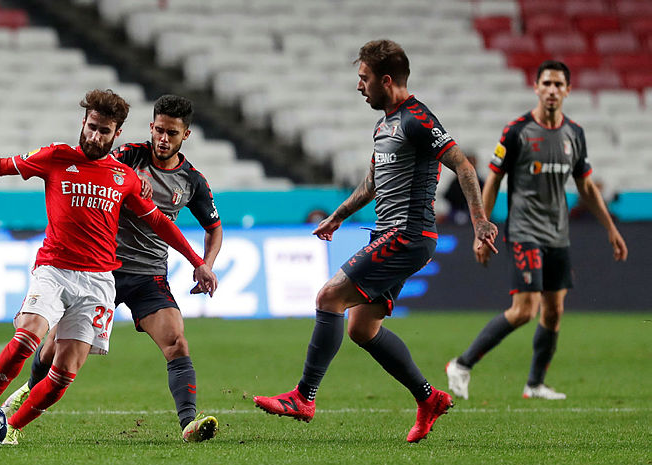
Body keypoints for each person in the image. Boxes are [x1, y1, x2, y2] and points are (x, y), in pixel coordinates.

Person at [0, 89, 217, 445]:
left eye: (104, 131)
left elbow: (160, 222)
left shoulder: (125, 177)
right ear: (83, 123)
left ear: (116, 135)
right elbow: (0, 165)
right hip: (54, 269)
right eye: (92, 127)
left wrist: (198, 263)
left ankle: (10, 429)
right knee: (27, 337)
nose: (94, 136)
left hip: (101, 281)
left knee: (66, 369)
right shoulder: (56, 157)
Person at [253, 40, 499, 443]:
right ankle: (428, 398)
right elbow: (372, 182)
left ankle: (304, 396)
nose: (359, 86)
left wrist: (480, 222)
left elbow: (464, 165)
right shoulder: (384, 124)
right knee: (362, 328)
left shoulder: (418, 119)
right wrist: (337, 215)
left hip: (408, 234)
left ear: (387, 80)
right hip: (390, 232)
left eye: (363, 78)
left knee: (328, 296)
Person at [0, 95, 223, 443]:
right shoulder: (128, 156)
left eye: (172, 134)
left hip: (149, 275)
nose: (163, 139)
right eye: (159, 131)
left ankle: (188, 425)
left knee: (177, 342)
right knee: (56, 347)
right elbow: (97, 166)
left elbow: (214, 228)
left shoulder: (193, 181)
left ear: (186, 136)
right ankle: (29, 387)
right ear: (151, 128)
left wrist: (204, 265)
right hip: (100, 270)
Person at [445, 60, 628, 401]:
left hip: (558, 233)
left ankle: (535, 384)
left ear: (568, 91)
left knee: (555, 310)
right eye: (547, 83)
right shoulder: (517, 131)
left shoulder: (575, 134)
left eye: (559, 85)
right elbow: (495, 179)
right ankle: (462, 364)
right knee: (525, 311)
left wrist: (610, 229)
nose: (553, 90)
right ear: (536, 87)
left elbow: (586, 187)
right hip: (525, 230)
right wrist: (481, 226)